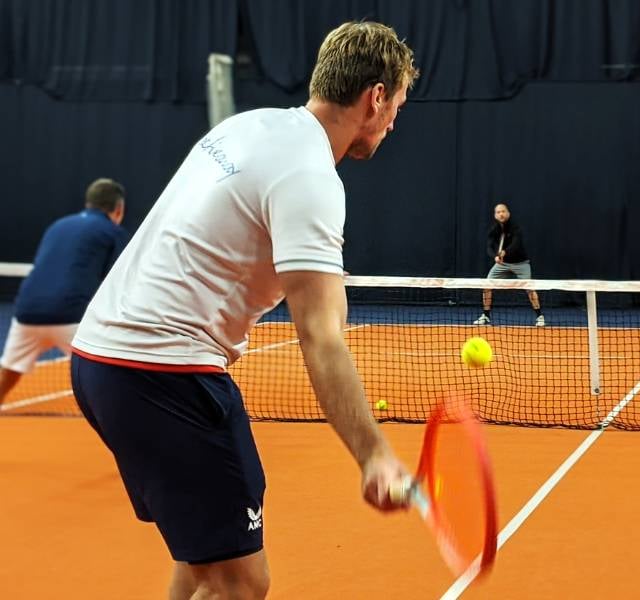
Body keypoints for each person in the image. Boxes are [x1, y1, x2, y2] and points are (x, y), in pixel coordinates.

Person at [70, 22, 418, 600]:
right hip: (165, 373)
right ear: (375, 96)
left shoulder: (247, 127)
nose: (394, 122)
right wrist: (374, 455)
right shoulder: (311, 178)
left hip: (102, 361)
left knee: (209, 553)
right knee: (240, 584)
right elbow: (321, 335)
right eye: (397, 105)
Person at [0, 178, 127, 405]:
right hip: (71, 318)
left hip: (26, 312)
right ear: (119, 209)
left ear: (89, 203)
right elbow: (116, 282)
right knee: (108, 371)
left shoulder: (58, 225)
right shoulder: (112, 232)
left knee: (9, 368)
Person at [473, 203, 546, 326]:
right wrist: (495, 256)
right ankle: (485, 316)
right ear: (495, 215)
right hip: (503, 264)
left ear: (508, 213)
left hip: (521, 264)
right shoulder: (494, 230)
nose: (501, 214)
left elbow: (516, 244)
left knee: (529, 289)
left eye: (503, 211)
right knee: (486, 285)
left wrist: (505, 252)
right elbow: (489, 247)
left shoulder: (515, 227)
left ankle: (540, 316)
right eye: (498, 212)